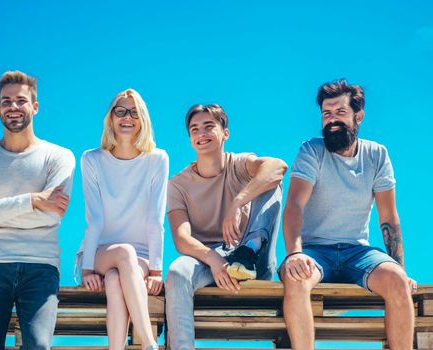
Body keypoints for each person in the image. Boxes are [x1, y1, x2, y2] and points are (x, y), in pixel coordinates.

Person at [281, 80, 417, 350]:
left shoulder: (377, 155)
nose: (332, 120)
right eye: (326, 114)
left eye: (340, 113)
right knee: (295, 279)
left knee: (397, 281)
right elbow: (295, 204)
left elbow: (388, 217)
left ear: (359, 116)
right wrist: (295, 253)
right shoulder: (312, 150)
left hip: (359, 252)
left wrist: (400, 270)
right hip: (314, 251)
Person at [0, 71, 75, 349]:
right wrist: (34, 199)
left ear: (35, 107)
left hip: (41, 266)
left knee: (38, 345)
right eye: (6, 101)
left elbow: (52, 214)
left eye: (21, 101)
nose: (13, 106)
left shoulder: (59, 156)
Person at [165, 103, 287, 349]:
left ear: (225, 133)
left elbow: (278, 166)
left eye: (209, 127)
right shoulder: (177, 185)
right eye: (195, 130)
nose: (202, 134)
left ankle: (247, 253)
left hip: (254, 258)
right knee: (177, 272)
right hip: (211, 262)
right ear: (190, 139)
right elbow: (181, 239)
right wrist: (213, 259)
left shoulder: (239, 164)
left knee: (270, 181)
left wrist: (238, 201)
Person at [76, 89, 167, 350]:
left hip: (139, 259)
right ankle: (150, 345)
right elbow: (95, 218)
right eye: (121, 111)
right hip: (99, 254)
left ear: (143, 120)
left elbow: (155, 218)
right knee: (122, 254)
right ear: (111, 118)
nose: (127, 118)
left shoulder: (157, 159)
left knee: (116, 281)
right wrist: (88, 267)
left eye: (134, 112)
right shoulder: (91, 159)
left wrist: (156, 269)